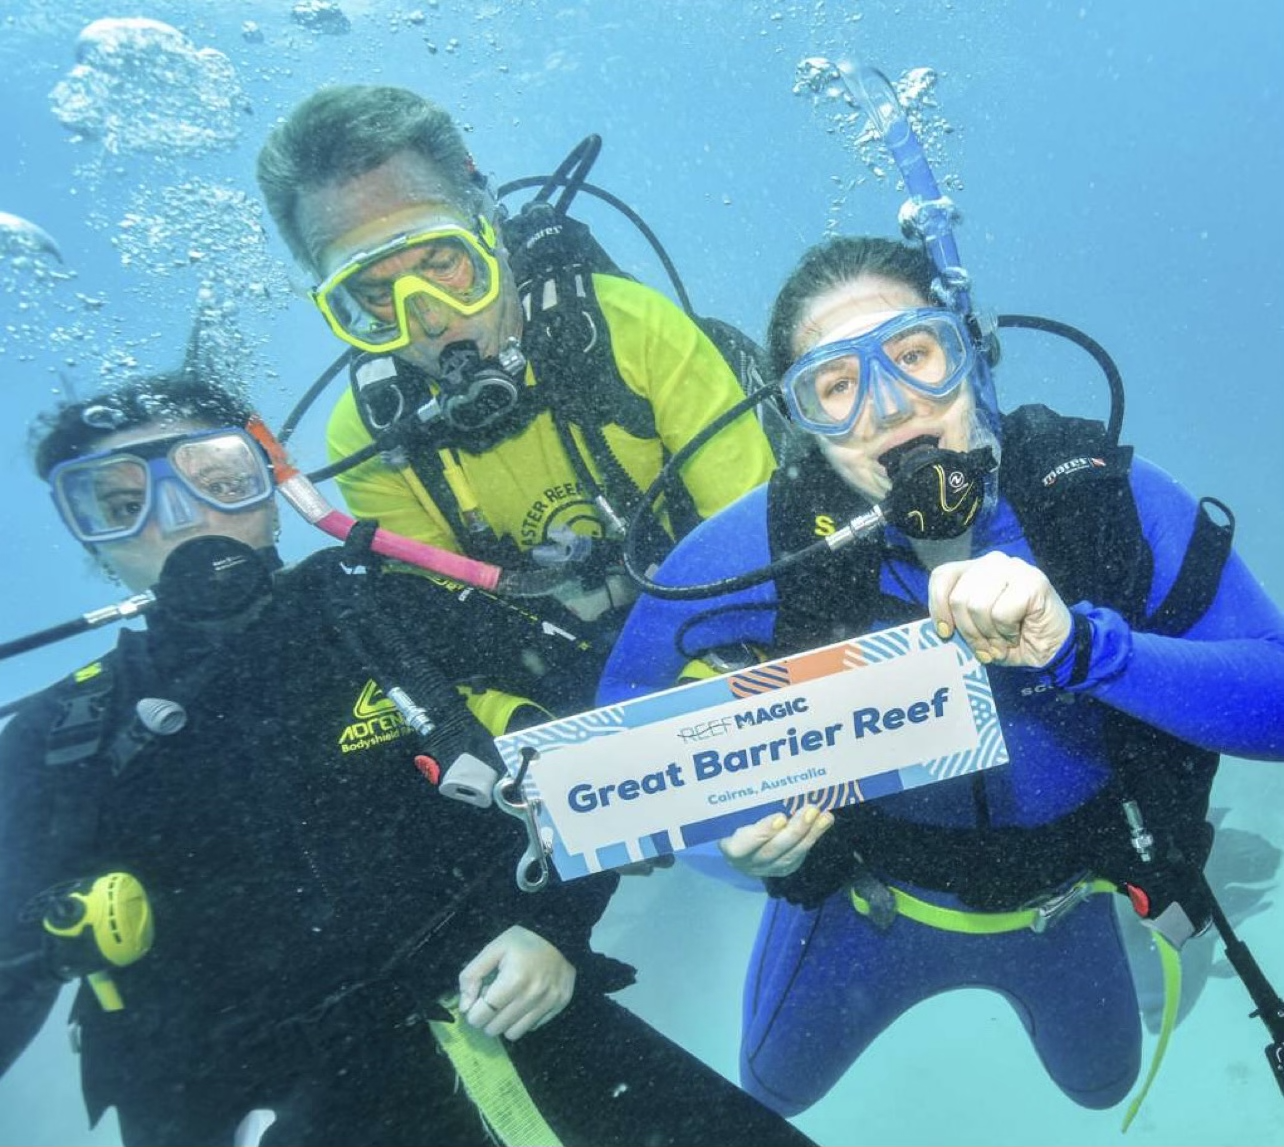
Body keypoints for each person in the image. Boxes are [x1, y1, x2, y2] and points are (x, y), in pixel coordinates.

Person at [0, 370, 817, 1147]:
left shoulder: (382, 603)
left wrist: (555, 925)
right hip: (246, 1102)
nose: (179, 519)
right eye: (119, 502)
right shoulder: (62, 733)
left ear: (273, 486)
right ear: (90, 541)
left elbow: (597, 728)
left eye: (217, 477)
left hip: (508, 1020)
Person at [597, 234, 1284, 1118]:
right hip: (862, 907)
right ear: (798, 419)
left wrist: (1085, 648)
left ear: (973, 352)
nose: (887, 407)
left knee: (1100, 1085)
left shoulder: (1099, 499)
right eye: (835, 387)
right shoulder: (765, 545)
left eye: (916, 355)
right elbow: (614, 745)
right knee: (773, 1091)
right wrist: (721, 837)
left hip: (1065, 904)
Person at [254, 85, 777, 679]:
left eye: (443, 264)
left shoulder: (633, 328)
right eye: (376, 294)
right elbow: (454, 643)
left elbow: (757, 549)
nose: (429, 318)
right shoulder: (368, 436)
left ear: (489, 228)